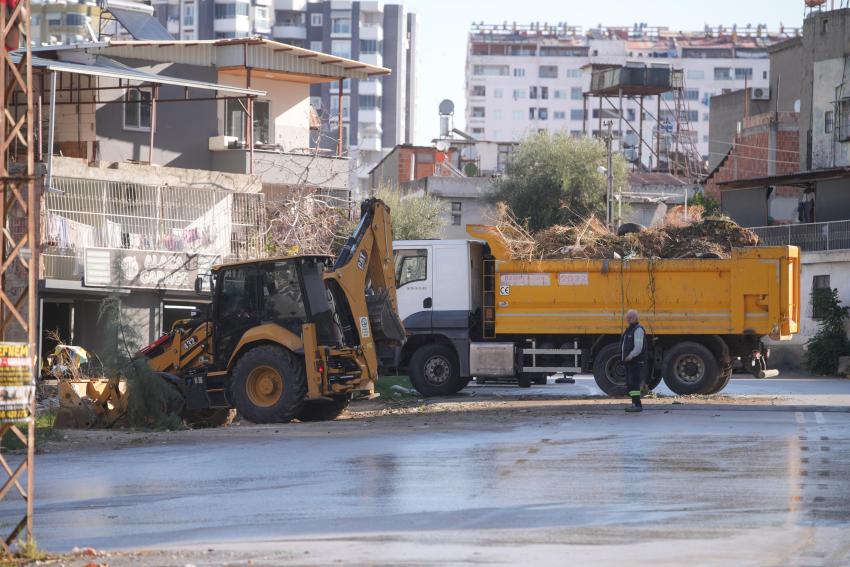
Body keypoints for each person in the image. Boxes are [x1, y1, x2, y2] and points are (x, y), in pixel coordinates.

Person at [620, 309, 647, 413]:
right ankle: (634, 403)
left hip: (635, 361)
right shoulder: (630, 329)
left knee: (634, 383)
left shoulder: (638, 329)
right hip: (629, 361)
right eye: (627, 318)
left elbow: (638, 347)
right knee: (630, 383)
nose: (628, 319)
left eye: (630, 318)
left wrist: (630, 356)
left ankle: (637, 405)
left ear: (635, 318)